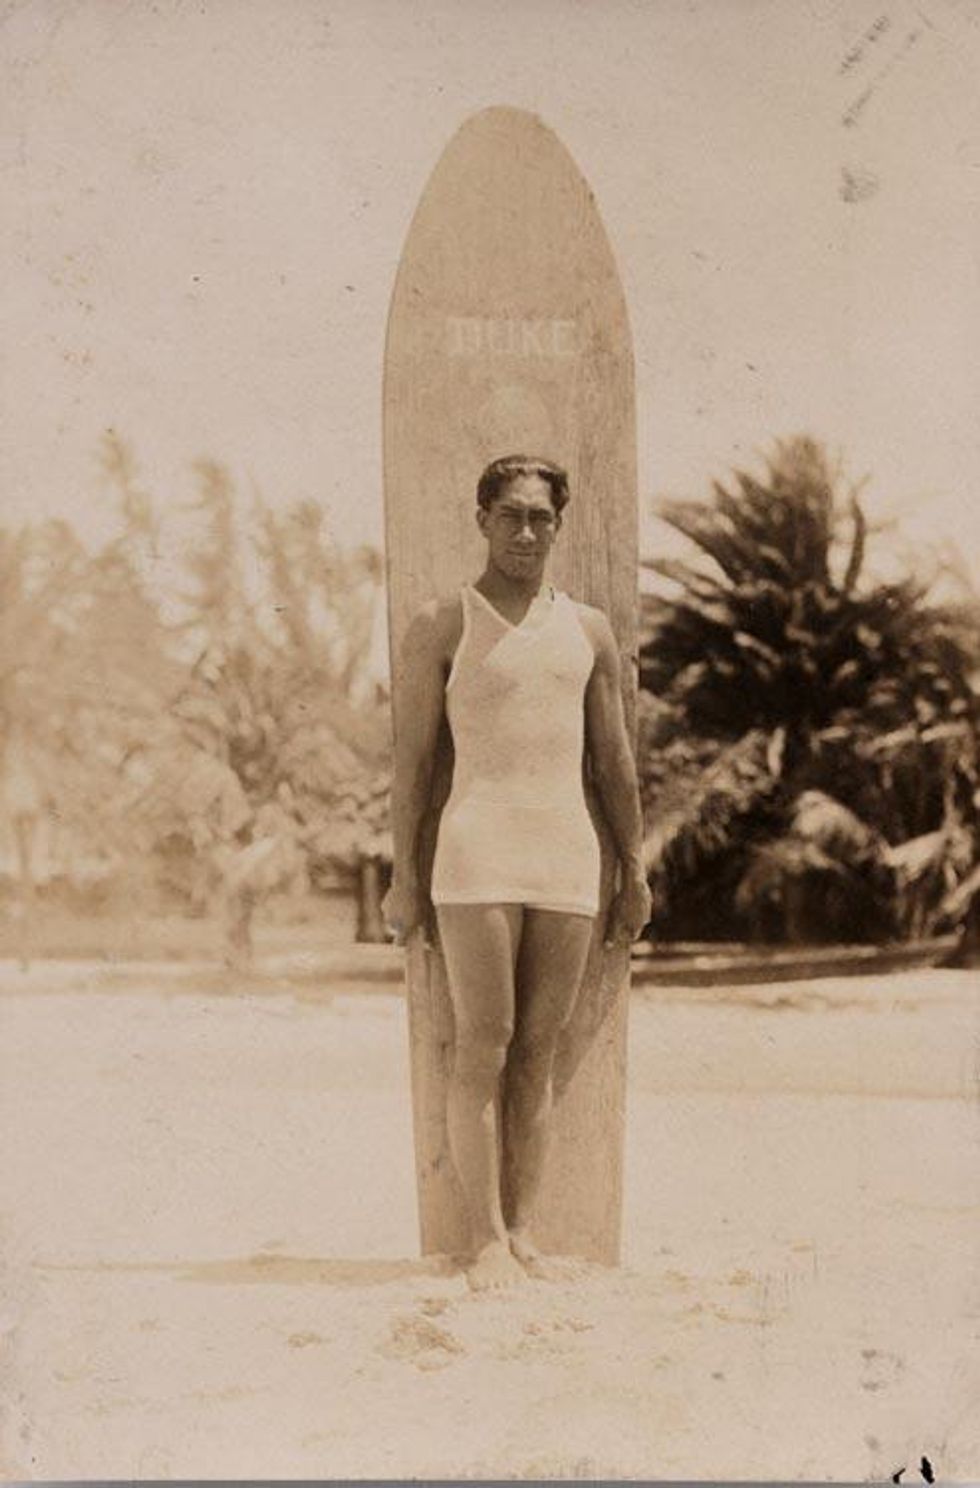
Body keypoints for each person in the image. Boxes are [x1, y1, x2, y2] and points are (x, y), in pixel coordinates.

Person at [383, 454, 651, 1290]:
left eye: (541, 517)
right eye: (511, 516)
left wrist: (634, 870)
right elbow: (414, 767)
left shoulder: (591, 630)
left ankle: (527, 1231)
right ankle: (484, 1240)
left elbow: (614, 764)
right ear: (483, 521)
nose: (527, 532)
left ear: (558, 525)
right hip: (475, 850)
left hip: (566, 852)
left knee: (537, 1050)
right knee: (482, 1046)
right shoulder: (444, 623)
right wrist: (402, 876)